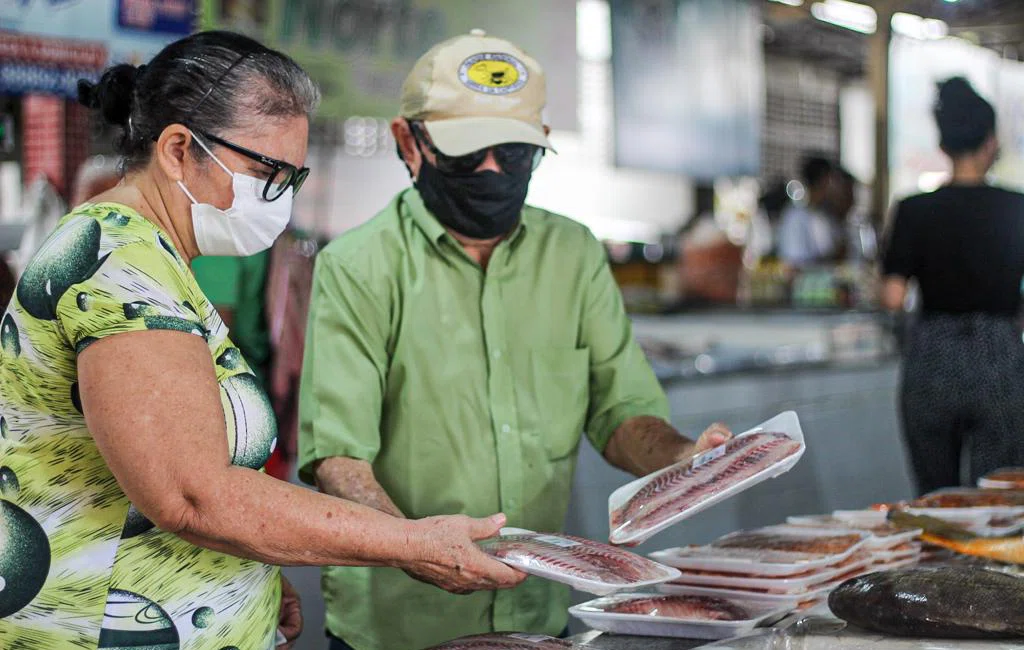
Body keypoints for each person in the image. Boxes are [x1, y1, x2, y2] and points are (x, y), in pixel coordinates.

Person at [0, 30, 524, 650]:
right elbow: (193, 495)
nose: (278, 199)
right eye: (265, 172)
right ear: (177, 150)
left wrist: (254, 567)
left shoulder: (155, 258)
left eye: (291, 178)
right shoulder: (117, 264)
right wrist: (411, 544)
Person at [298, 30, 732, 650]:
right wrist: (416, 546)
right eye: (468, 155)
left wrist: (683, 460)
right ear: (408, 143)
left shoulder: (573, 254)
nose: (494, 172)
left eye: (515, 153)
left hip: (535, 615)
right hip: (399, 625)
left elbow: (622, 414)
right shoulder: (360, 266)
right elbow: (338, 460)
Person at [882, 76, 1024, 495]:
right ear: (991, 141)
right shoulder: (1017, 207)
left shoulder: (914, 209)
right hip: (999, 355)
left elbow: (892, 295)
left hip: (932, 355)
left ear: (943, 145)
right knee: (998, 498)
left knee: (935, 498)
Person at [778, 155, 843, 267]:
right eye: (834, 181)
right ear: (824, 181)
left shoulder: (825, 216)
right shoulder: (795, 217)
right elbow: (796, 263)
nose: (838, 189)